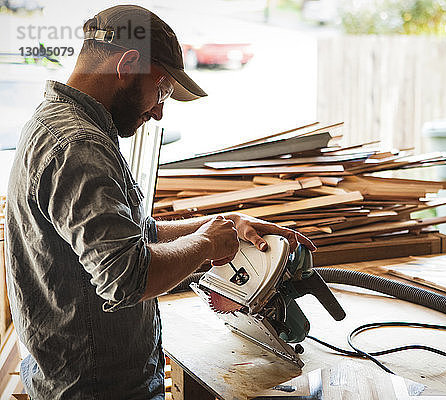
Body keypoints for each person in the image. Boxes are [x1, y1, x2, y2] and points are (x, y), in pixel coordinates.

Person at [5, 5, 315, 399]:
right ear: (128, 64)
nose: (158, 111)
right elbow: (127, 278)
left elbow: (130, 237)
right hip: (99, 390)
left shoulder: (57, 124)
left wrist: (225, 226)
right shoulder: (79, 146)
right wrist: (205, 245)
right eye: (162, 90)